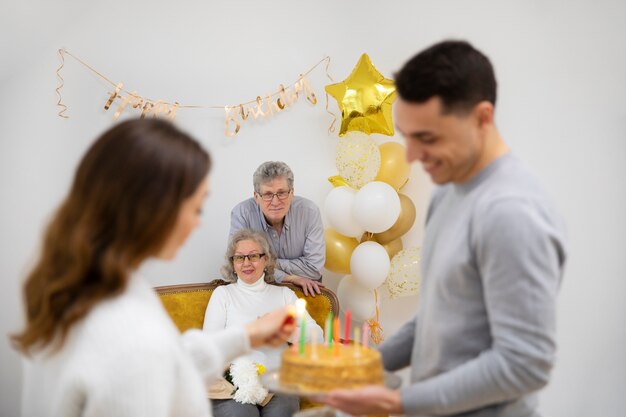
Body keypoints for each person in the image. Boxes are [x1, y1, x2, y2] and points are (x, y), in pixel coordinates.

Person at [319, 40, 567, 416]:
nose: (413, 156)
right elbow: (441, 311)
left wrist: (400, 401)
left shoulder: (512, 213)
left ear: (482, 118)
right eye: (408, 136)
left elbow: (525, 364)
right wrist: (368, 365)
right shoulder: (448, 194)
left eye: (428, 138)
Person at [11, 119, 296, 417]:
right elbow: (149, 361)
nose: (197, 222)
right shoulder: (126, 326)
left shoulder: (94, 285)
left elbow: (169, 361)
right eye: (196, 208)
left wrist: (247, 336)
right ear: (156, 207)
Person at [203, 228, 323, 417]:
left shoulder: (284, 295)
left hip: (277, 382)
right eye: (239, 258)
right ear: (232, 264)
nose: (247, 263)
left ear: (266, 259)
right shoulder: (223, 295)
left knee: (283, 410)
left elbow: (317, 335)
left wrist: (284, 331)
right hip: (232, 382)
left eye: (254, 256)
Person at [230, 161, 325, 296]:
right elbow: (241, 266)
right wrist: (289, 278)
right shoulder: (242, 214)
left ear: (291, 193)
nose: (275, 202)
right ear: (256, 197)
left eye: (281, 193)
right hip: (256, 292)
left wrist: (266, 262)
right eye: (268, 194)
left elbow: (313, 268)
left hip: (304, 293)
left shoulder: (309, 212)